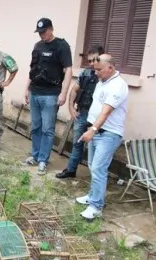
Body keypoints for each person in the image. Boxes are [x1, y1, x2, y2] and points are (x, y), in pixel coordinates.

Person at [75, 54, 128, 220]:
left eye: (99, 70)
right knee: (92, 166)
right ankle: (92, 196)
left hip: (108, 133)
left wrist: (93, 129)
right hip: (96, 130)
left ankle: (96, 207)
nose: (96, 73)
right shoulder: (102, 82)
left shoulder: (118, 86)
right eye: (94, 69)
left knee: (98, 168)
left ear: (110, 68)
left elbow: (106, 111)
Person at [25, 18, 73, 175]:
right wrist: (27, 89)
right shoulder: (37, 46)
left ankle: (43, 160)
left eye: (44, 32)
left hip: (51, 95)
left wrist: (63, 93)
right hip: (35, 92)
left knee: (47, 129)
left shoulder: (61, 46)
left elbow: (68, 71)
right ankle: (35, 155)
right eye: (39, 33)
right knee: (36, 126)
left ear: (51, 29)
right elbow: (32, 69)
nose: (42, 35)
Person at [56, 45, 104, 179]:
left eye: (95, 60)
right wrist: (71, 108)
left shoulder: (106, 76)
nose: (92, 64)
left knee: (97, 147)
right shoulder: (86, 73)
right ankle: (71, 170)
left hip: (98, 118)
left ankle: (97, 177)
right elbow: (74, 90)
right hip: (82, 113)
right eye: (89, 61)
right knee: (77, 143)